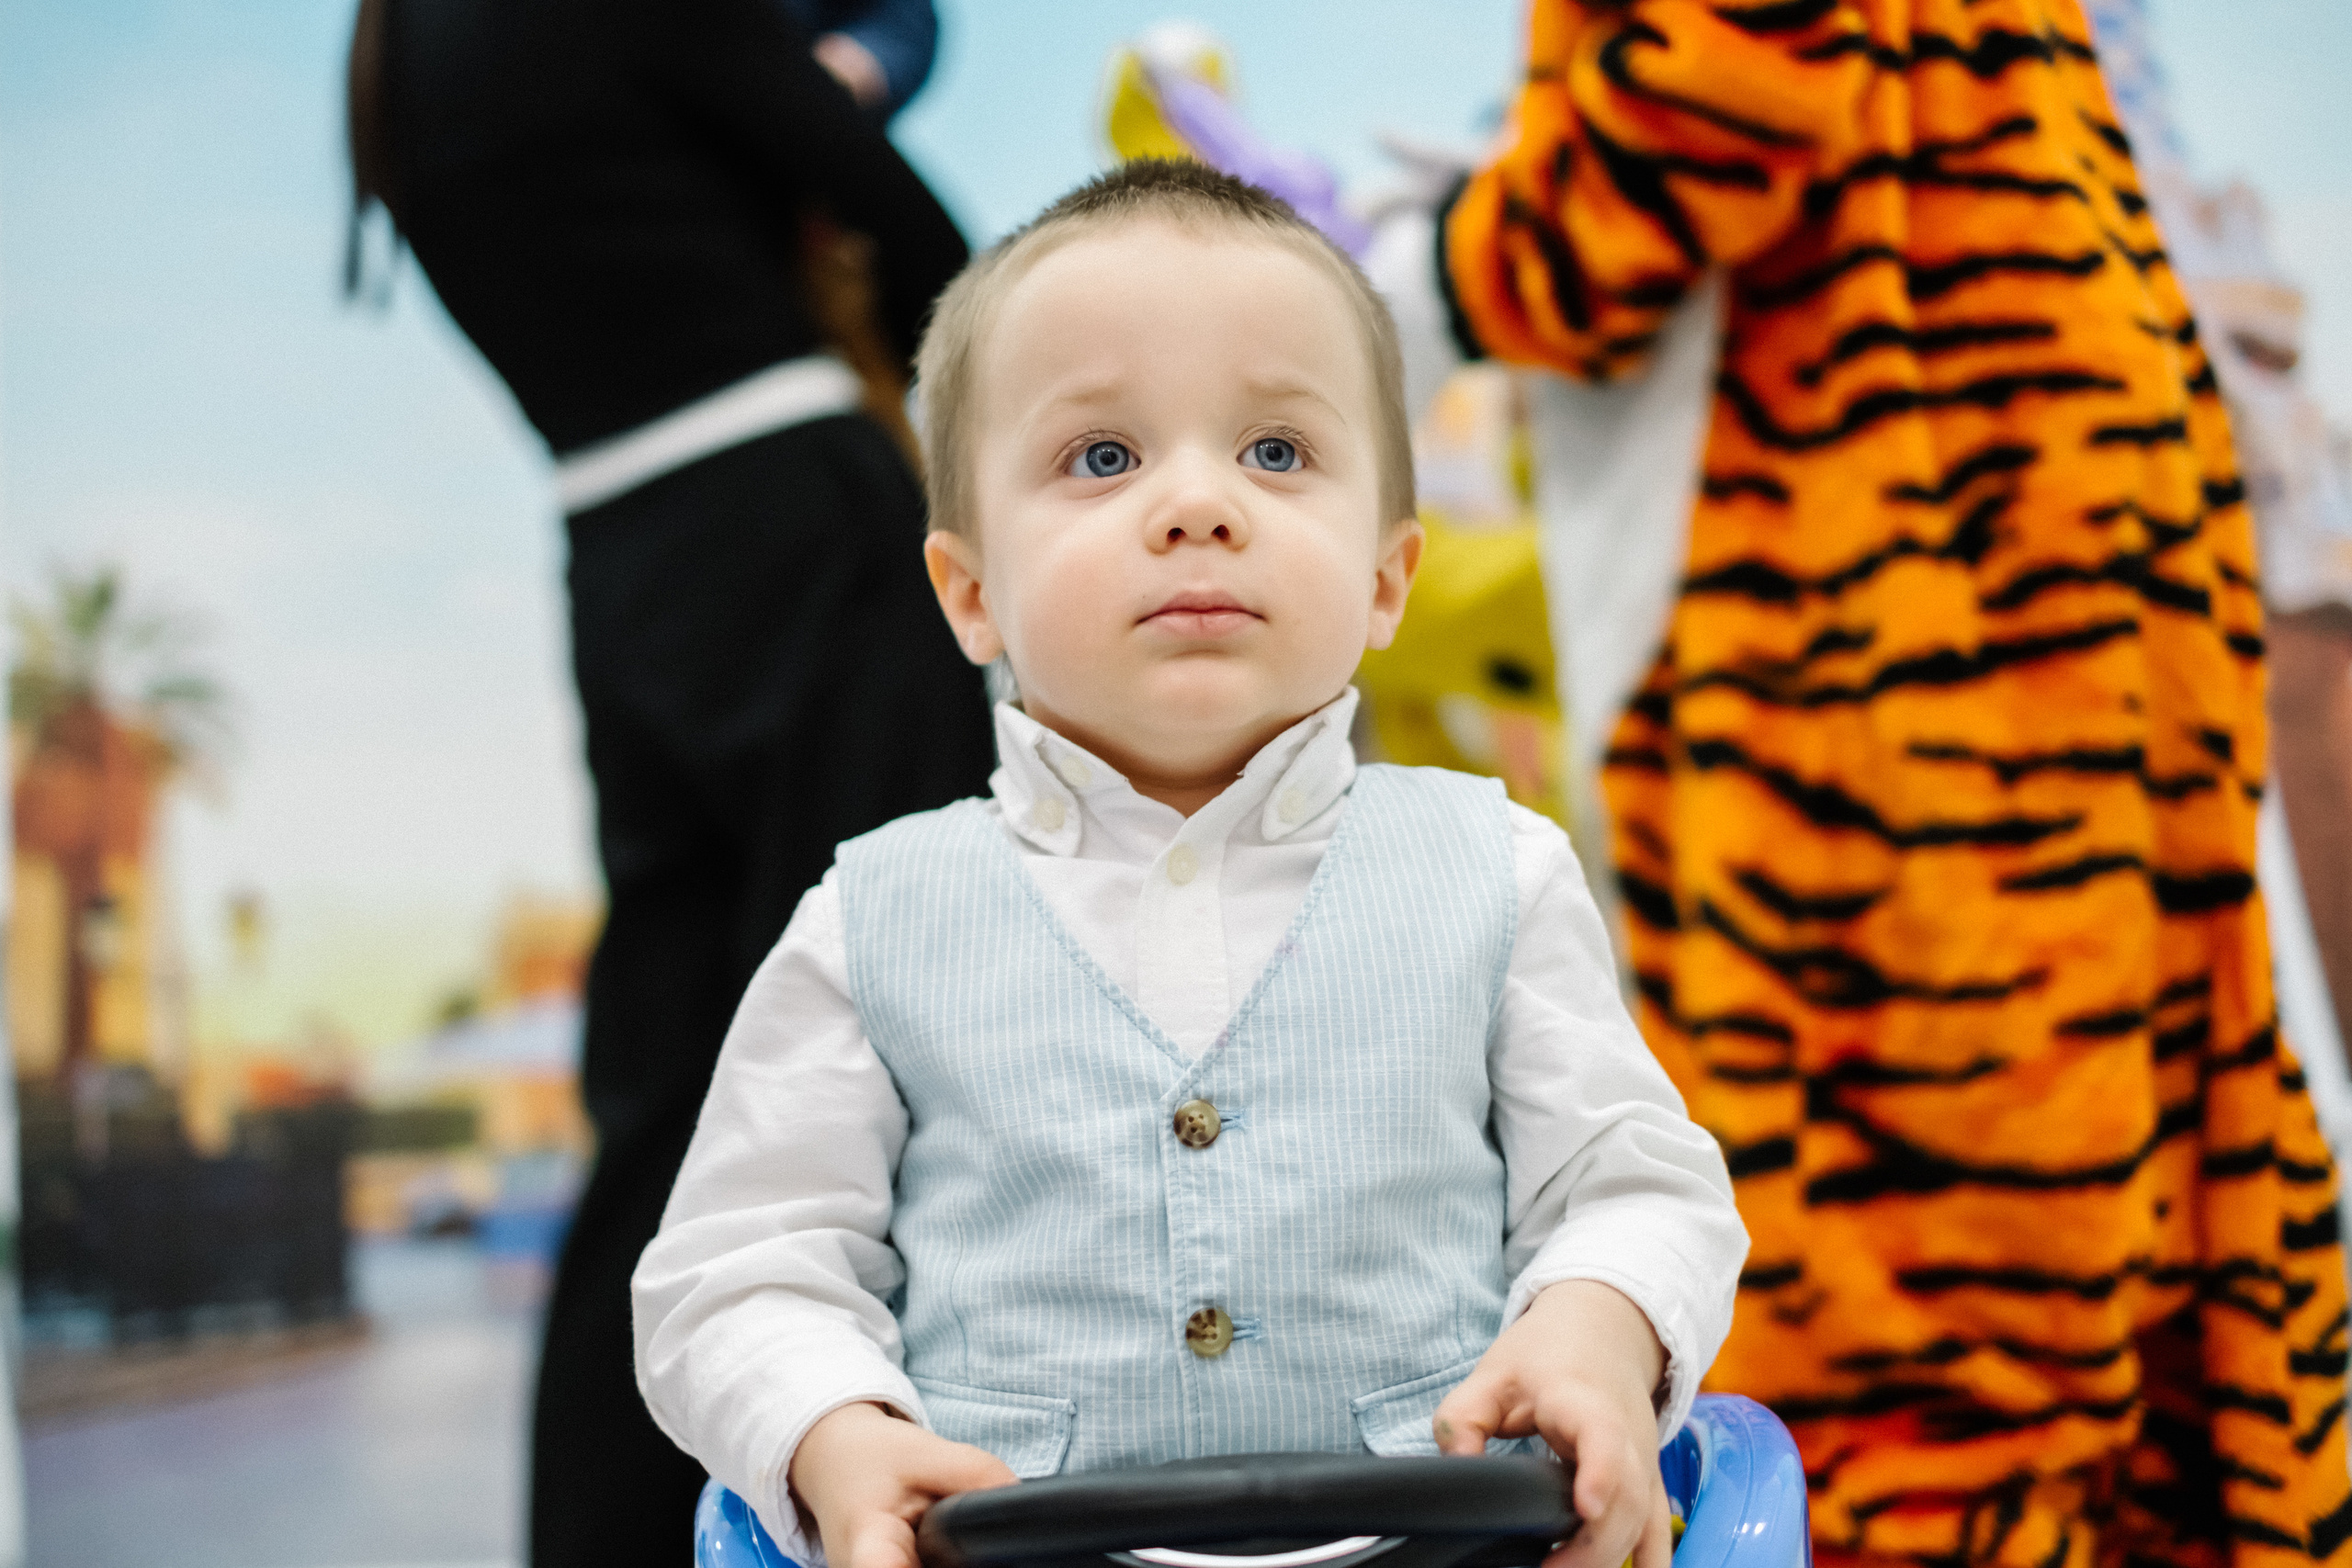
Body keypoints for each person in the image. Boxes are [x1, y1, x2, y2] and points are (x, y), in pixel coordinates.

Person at [633, 161, 1749, 1568]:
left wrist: (1592, 1329)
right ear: (971, 594)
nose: (1198, 506)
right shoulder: (872, 920)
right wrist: (833, 1431)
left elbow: (1634, 1187)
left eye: (1277, 453)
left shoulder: (1499, 874)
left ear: (1389, 578)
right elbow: (737, 1271)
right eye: (1102, 458)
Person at [1378, 4, 2352, 1566]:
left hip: (1896, 554)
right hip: (2034, 502)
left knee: (1917, 1327)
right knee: (2117, 1241)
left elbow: (1716, 93)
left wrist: (1409, 280)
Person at [343, 1, 996, 1561]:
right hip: (805, 531)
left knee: (669, 1114)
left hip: (622, 561)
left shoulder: (394, 62)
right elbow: (914, 225)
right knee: (922, 1043)